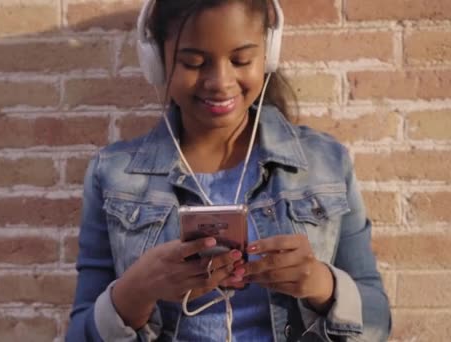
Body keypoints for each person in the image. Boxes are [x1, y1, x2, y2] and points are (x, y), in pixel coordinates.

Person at [66, 0, 392, 341]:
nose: (220, 82)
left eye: (241, 60)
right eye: (193, 62)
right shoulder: (113, 175)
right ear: (156, 63)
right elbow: (80, 334)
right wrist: (136, 291)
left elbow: (377, 322)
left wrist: (321, 284)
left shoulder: (326, 163)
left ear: (269, 55)